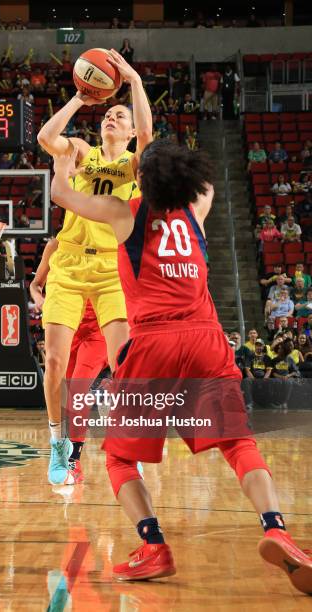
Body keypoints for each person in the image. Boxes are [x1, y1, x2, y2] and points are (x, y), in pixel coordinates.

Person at [50, 140, 312, 591]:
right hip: (206, 340)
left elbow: (61, 194)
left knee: (118, 457)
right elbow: (198, 176)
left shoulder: (123, 212)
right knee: (237, 442)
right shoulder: (199, 207)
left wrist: (61, 162)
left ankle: (154, 546)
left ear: (141, 178)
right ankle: (276, 528)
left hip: (154, 344)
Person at [37, 48, 152, 485]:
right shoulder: (82, 152)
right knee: (53, 362)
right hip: (67, 267)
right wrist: (80, 99)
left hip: (110, 271)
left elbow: (147, 133)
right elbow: (48, 138)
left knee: (125, 363)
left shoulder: (134, 165)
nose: (113, 120)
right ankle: (56, 443)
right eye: (110, 115)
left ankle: (129, 443)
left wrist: (135, 82)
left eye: (119, 116)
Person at [30, 238, 109, 484]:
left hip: (97, 330)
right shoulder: (55, 246)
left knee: (78, 389)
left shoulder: (108, 242)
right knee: (64, 393)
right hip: (67, 325)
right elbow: (35, 284)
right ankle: (61, 449)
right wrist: (40, 300)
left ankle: (73, 460)